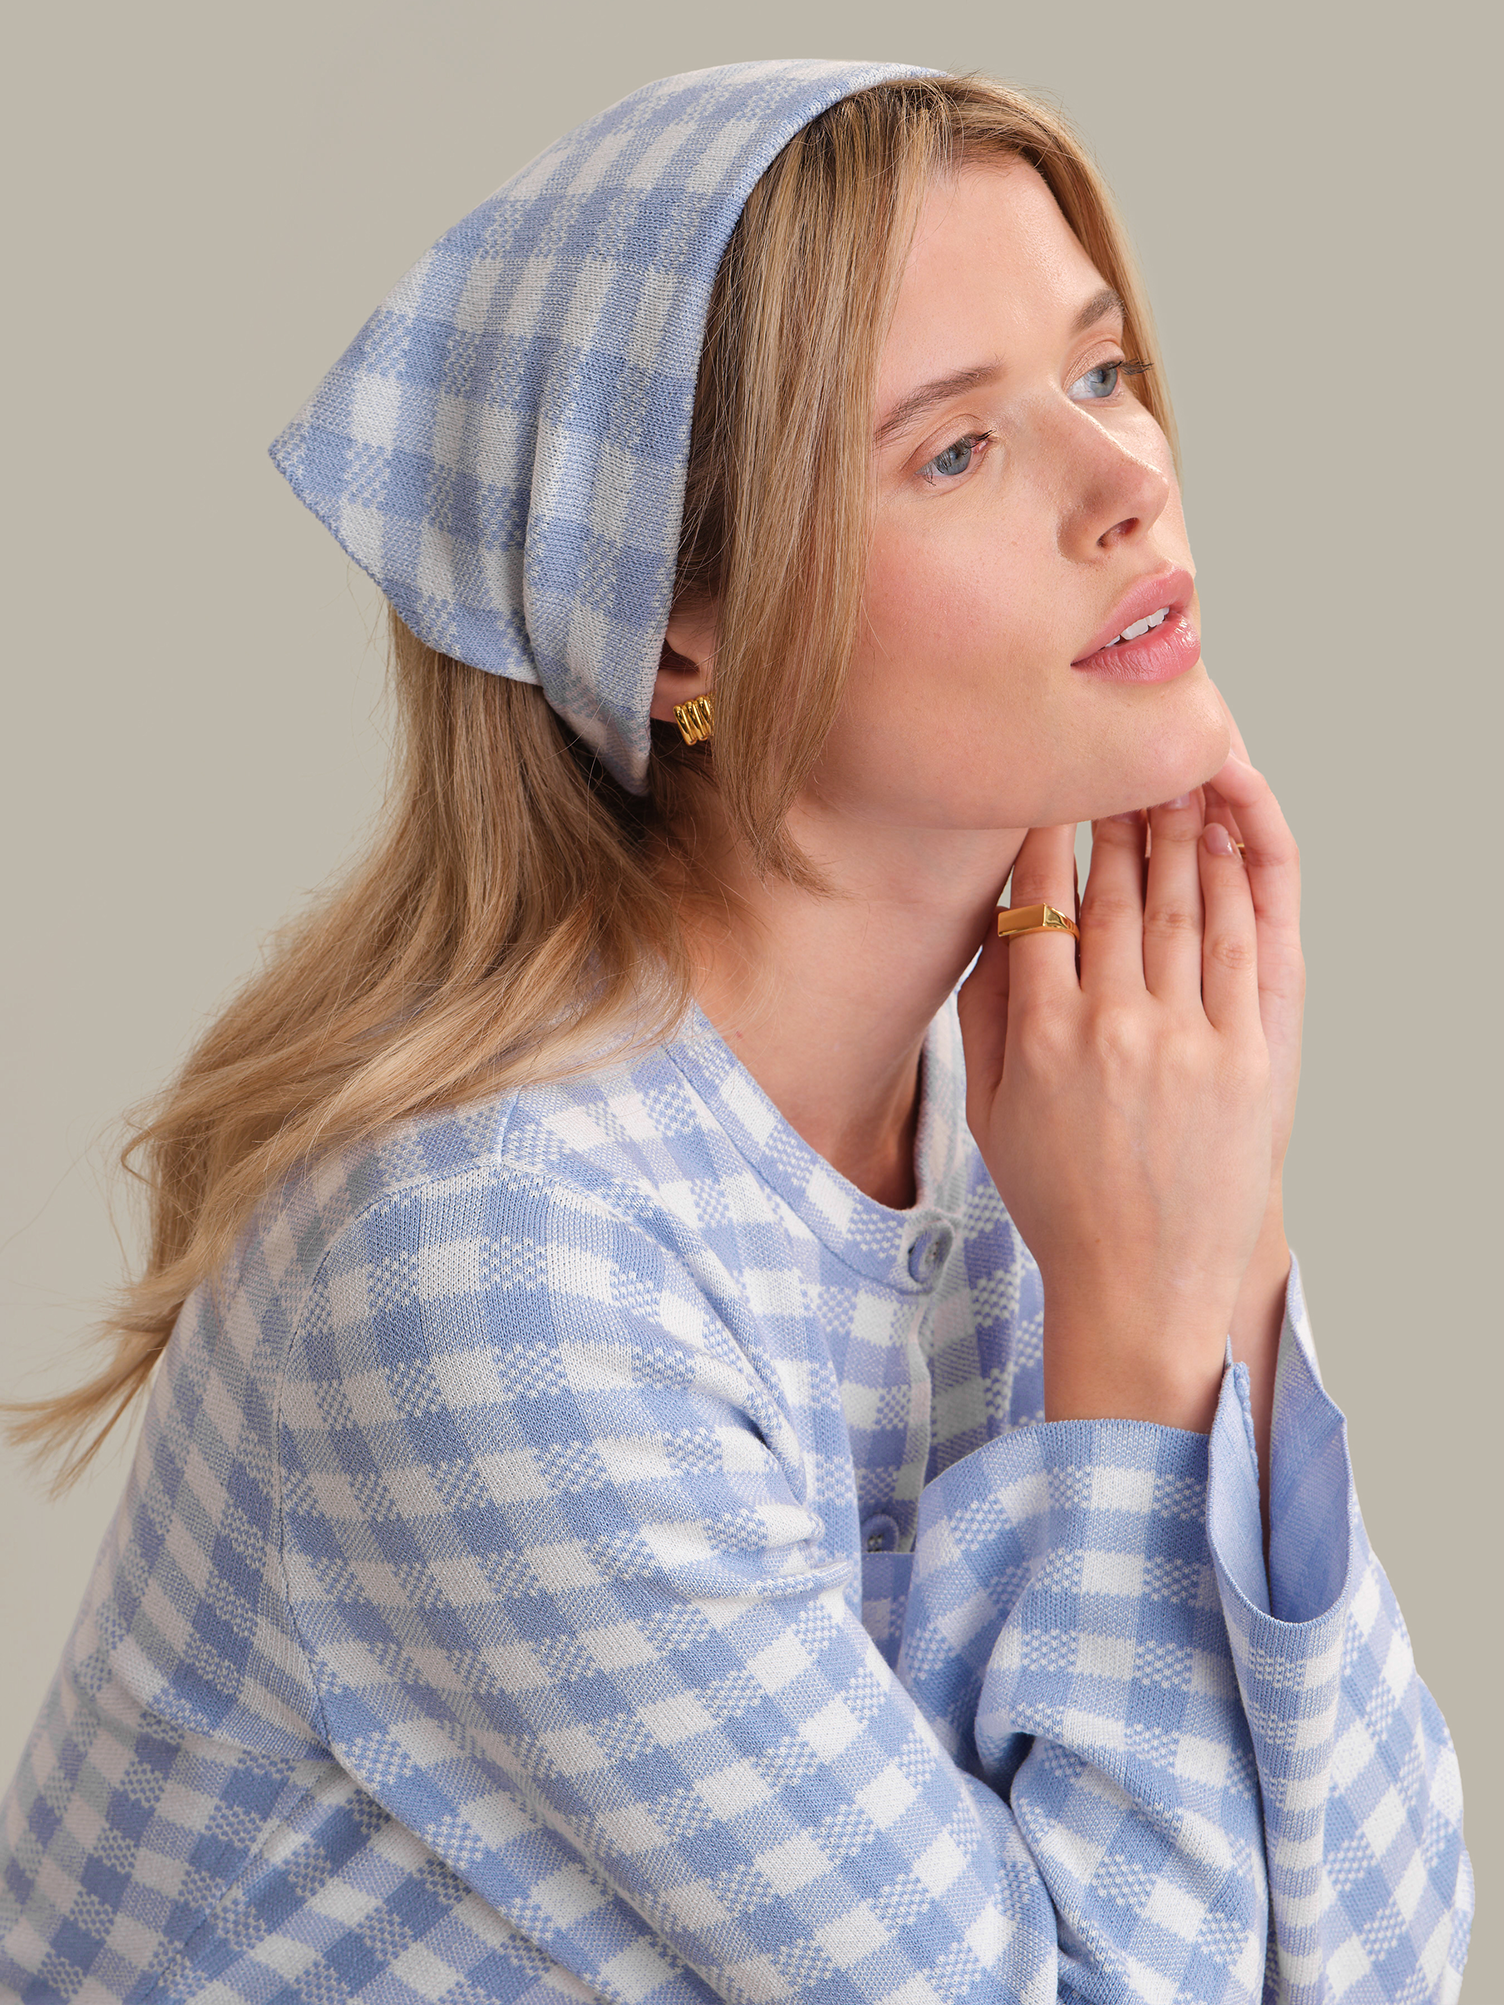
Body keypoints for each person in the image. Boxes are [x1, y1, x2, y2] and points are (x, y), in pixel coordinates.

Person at [0, 59, 1471, 2004]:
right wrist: (1138, 1321)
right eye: (955, 451)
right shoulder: (487, 1271)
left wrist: (1223, 1239)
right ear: (677, 628)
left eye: (1100, 374)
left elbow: (1375, 1953)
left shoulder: (1049, 1145)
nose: (1125, 480)